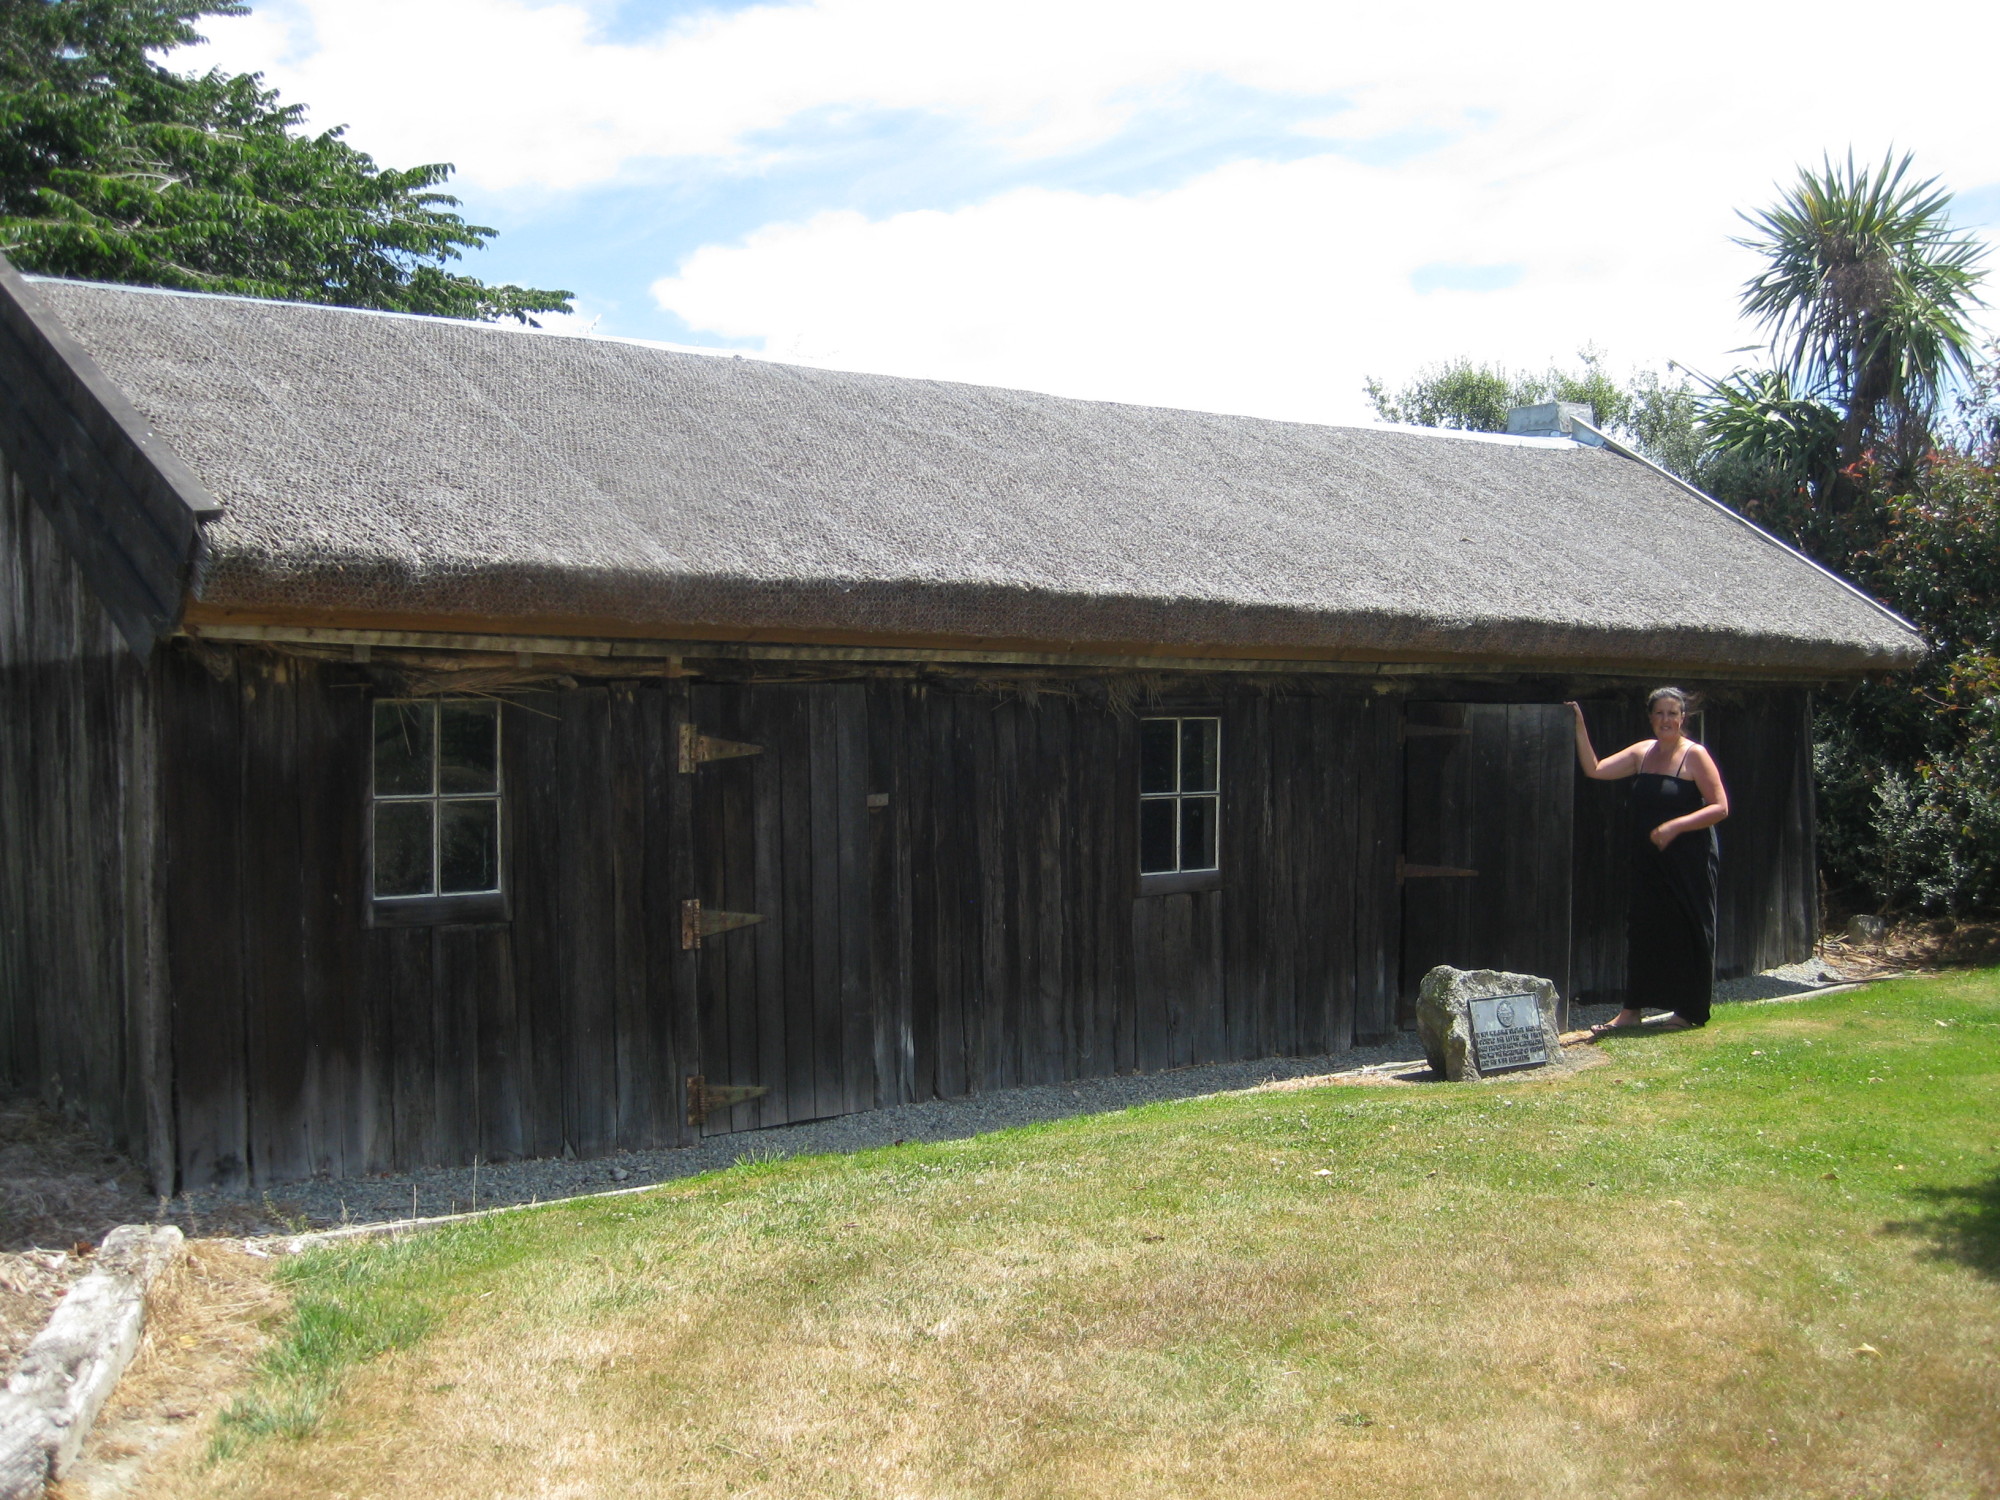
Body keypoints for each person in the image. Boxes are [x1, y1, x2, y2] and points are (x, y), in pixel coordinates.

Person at [1564, 689, 1729, 1033]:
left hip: (1690, 858)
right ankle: (1631, 1010)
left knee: (1690, 928)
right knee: (1643, 927)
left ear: (1683, 718)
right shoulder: (1642, 752)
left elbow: (1720, 807)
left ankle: (1687, 1011)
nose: (1667, 720)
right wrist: (1579, 724)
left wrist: (1675, 825)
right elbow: (1594, 770)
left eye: (1673, 713)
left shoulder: (1694, 755)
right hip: (1649, 856)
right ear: (1650, 717)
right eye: (1660, 713)